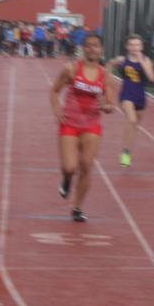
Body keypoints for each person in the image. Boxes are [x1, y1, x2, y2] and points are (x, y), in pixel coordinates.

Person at [50, 33, 116, 222]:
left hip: (91, 125)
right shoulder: (71, 69)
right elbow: (54, 90)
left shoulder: (106, 75)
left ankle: (77, 208)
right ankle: (67, 179)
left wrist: (107, 106)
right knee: (69, 167)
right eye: (88, 45)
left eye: (95, 45)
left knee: (86, 165)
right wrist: (56, 110)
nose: (92, 49)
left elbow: (111, 104)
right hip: (70, 123)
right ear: (83, 48)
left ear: (101, 49)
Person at [109, 35, 154, 168]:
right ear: (127, 46)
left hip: (140, 97)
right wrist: (107, 80)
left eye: (137, 45)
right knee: (131, 120)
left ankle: (127, 150)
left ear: (141, 47)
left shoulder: (146, 60)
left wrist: (141, 61)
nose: (135, 47)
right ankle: (125, 153)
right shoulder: (123, 59)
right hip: (126, 95)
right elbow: (109, 64)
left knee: (134, 126)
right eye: (132, 45)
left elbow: (152, 78)